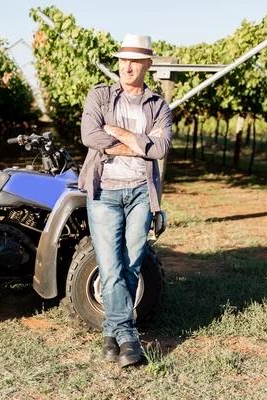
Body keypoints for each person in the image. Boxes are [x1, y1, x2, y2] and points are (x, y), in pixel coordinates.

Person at [78, 33, 172, 368]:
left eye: (135, 60)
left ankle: (112, 331)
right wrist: (139, 144)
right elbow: (90, 136)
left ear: (148, 64)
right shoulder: (101, 95)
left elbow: (160, 149)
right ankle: (128, 337)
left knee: (132, 264)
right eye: (123, 60)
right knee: (110, 265)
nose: (127, 66)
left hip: (140, 194)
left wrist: (119, 133)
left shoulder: (158, 105)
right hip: (104, 191)